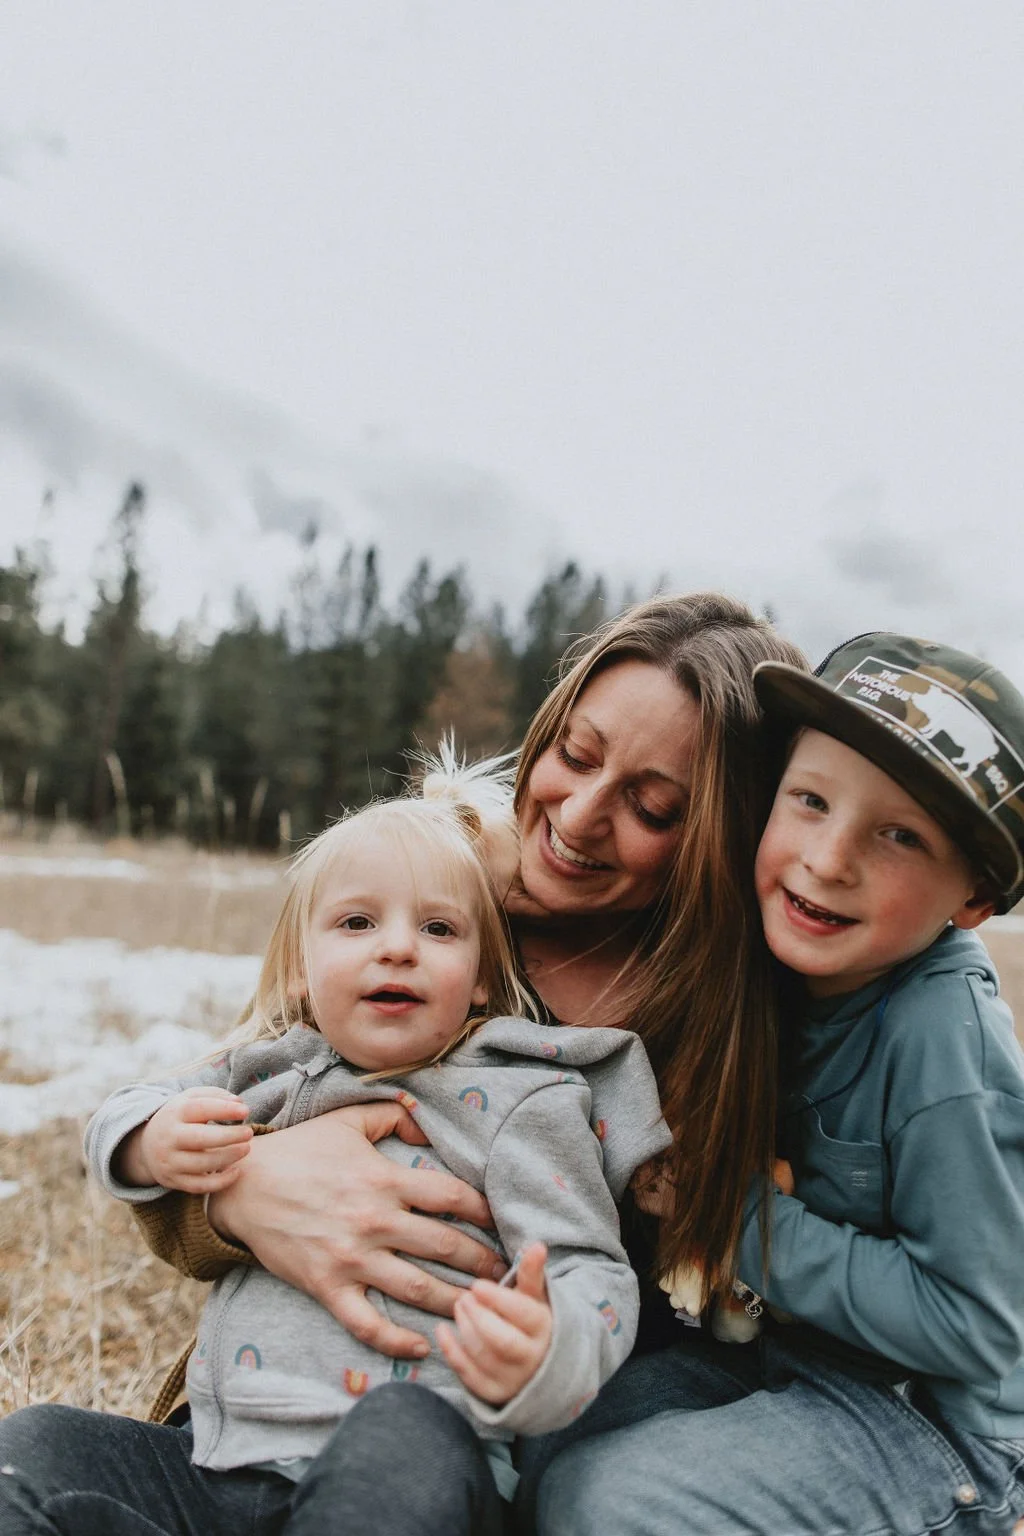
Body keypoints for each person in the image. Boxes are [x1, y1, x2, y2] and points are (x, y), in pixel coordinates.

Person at [0, 758, 669, 1535]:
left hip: (409, 1471)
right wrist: (150, 1144)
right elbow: (121, 1113)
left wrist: (552, 1348)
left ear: (484, 978)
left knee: (402, 1433)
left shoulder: (521, 1100)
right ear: (299, 973)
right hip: (215, 1466)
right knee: (36, 1447)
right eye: (357, 923)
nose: (397, 949)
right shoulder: (270, 1066)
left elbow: (591, 1265)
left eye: (438, 928)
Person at [524, 632, 1024, 1536]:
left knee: (613, 1501)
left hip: (935, 1429)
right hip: (795, 1366)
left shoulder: (940, 1035)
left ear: (975, 897)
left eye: (900, 835)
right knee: (545, 1441)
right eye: (810, 801)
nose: (829, 859)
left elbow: (976, 1324)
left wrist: (735, 1217)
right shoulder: (776, 963)